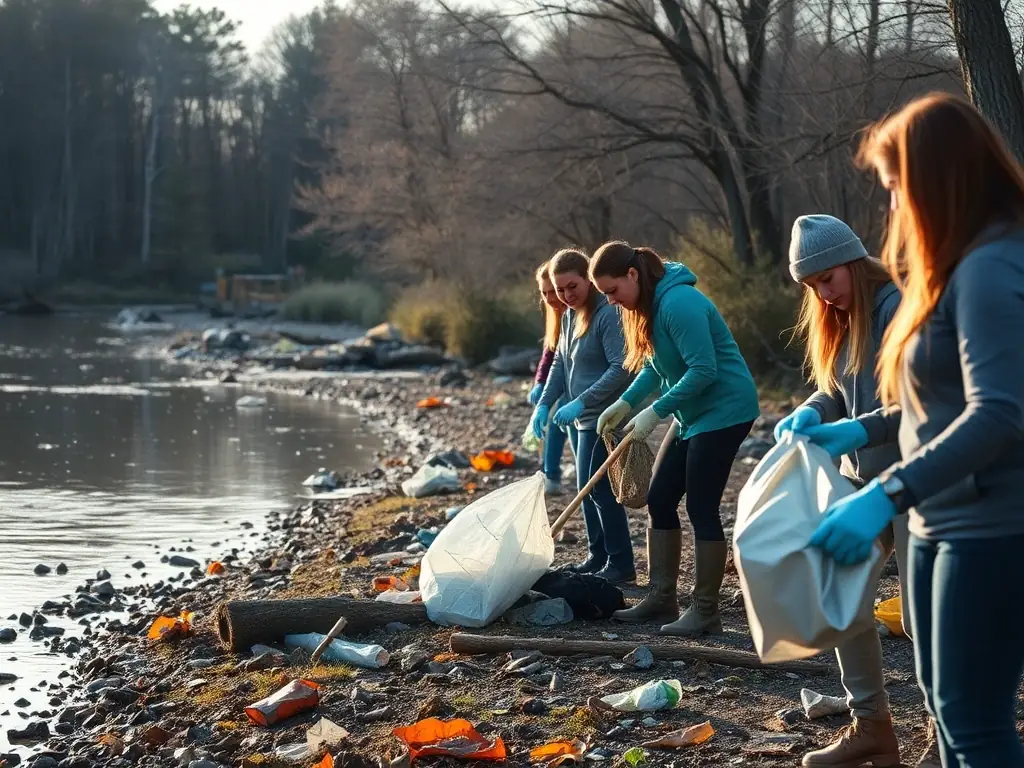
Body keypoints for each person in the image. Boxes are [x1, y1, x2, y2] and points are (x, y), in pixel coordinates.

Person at [803, 93, 1024, 768]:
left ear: (938, 180)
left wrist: (887, 491)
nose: (892, 206)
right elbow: (926, 398)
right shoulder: (952, 268)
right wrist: (841, 424)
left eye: (896, 188)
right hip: (936, 520)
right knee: (945, 706)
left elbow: (1000, 411)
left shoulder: (992, 267)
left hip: (987, 529)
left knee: (976, 724)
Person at [776, 214, 937, 767]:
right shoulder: (841, 319)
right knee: (838, 591)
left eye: (827, 278)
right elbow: (836, 390)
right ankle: (872, 726)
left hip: (918, 484)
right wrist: (810, 410)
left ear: (852, 261)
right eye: (811, 286)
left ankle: (949, 734)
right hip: (862, 480)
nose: (822, 293)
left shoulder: (899, 308)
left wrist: (859, 428)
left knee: (923, 620)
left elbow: (921, 405)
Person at [591, 242, 759, 635]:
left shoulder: (678, 303)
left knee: (702, 506)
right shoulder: (646, 306)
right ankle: (662, 597)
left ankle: (706, 611)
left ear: (632, 275)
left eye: (613, 291)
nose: (613, 302)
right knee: (661, 497)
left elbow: (704, 370)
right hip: (693, 414)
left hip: (726, 410)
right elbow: (655, 365)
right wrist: (626, 403)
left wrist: (655, 412)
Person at [531, 248, 636, 583]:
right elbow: (560, 364)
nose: (566, 295)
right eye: (560, 289)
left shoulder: (607, 313)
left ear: (588, 280)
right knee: (586, 488)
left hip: (604, 417)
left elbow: (622, 367)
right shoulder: (567, 316)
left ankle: (621, 564)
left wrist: (584, 401)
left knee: (601, 491)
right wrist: (544, 405)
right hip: (581, 419)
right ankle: (598, 555)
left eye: (572, 286)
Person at [528, 261, 569, 495]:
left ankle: (551, 474)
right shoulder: (556, 316)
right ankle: (550, 474)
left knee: (557, 423)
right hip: (564, 379)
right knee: (554, 425)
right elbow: (550, 353)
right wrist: (540, 383)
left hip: (583, 382)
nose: (550, 298)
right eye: (544, 293)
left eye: (552, 291)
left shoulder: (577, 311)